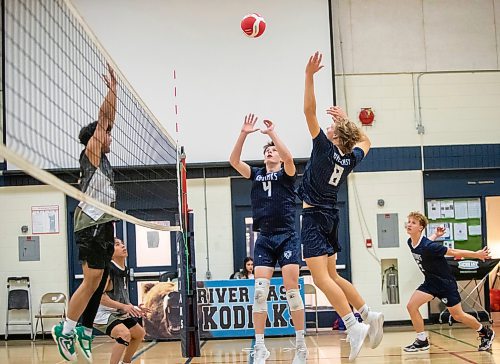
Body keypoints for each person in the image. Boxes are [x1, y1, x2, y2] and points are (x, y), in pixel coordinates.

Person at [297, 51, 384, 362]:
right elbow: (367, 142)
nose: (327, 127)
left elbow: (308, 110)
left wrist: (309, 75)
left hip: (314, 216)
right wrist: (347, 121)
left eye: (332, 127)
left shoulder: (323, 147)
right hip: (331, 215)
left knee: (320, 279)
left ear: (333, 135)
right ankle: (366, 312)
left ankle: (353, 325)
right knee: (332, 275)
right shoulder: (348, 159)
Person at [52, 63, 118, 362]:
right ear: (96, 137)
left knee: (100, 280)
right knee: (91, 280)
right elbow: (104, 120)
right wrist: (111, 91)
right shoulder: (91, 151)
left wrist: (115, 94)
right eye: (105, 134)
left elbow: (108, 121)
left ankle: (84, 330)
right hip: (91, 221)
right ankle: (65, 329)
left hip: (103, 222)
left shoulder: (102, 157)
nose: (110, 138)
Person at [230, 114, 307, 364]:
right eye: (267, 151)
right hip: (264, 238)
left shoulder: (287, 173)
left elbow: (289, 158)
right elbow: (233, 160)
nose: (270, 153)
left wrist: (273, 134)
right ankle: (260, 346)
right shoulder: (256, 175)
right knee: (260, 293)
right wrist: (243, 133)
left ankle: (301, 346)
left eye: (273, 150)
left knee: (292, 292)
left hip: (287, 237)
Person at [404, 212, 495, 352]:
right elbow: (424, 244)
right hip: (430, 282)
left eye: (413, 222)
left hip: (445, 284)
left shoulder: (430, 246)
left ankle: (484, 331)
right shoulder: (411, 242)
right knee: (411, 306)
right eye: (409, 221)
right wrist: (435, 235)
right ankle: (422, 340)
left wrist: (476, 255)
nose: (409, 224)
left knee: (458, 315)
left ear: (420, 228)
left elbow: (453, 252)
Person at [94, 238, 149, 364]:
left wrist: (133, 307)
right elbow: (100, 297)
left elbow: (120, 296)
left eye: (122, 243)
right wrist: (124, 307)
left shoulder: (124, 269)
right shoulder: (107, 271)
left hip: (116, 311)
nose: (123, 246)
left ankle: (126, 362)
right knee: (124, 334)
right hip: (100, 313)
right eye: (117, 245)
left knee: (139, 333)